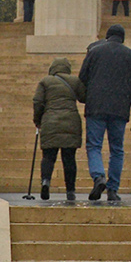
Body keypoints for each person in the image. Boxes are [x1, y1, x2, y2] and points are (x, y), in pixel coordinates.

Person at [78, 24, 131, 203]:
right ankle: (113, 189)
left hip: (96, 107)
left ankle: (98, 176)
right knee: (117, 149)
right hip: (120, 109)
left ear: (107, 36)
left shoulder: (94, 52)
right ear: (122, 38)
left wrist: (86, 97)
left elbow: (82, 78)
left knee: (94, 145)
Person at [31, 56, 83, 202]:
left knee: (48, 156)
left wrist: (37, 120)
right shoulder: (74, 81)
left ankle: (46, 182)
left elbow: (38, 102)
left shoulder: (45, 81)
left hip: (50, 121)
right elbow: (84, 97)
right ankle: (70, 191)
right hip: (71, 122)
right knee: (69, 158)